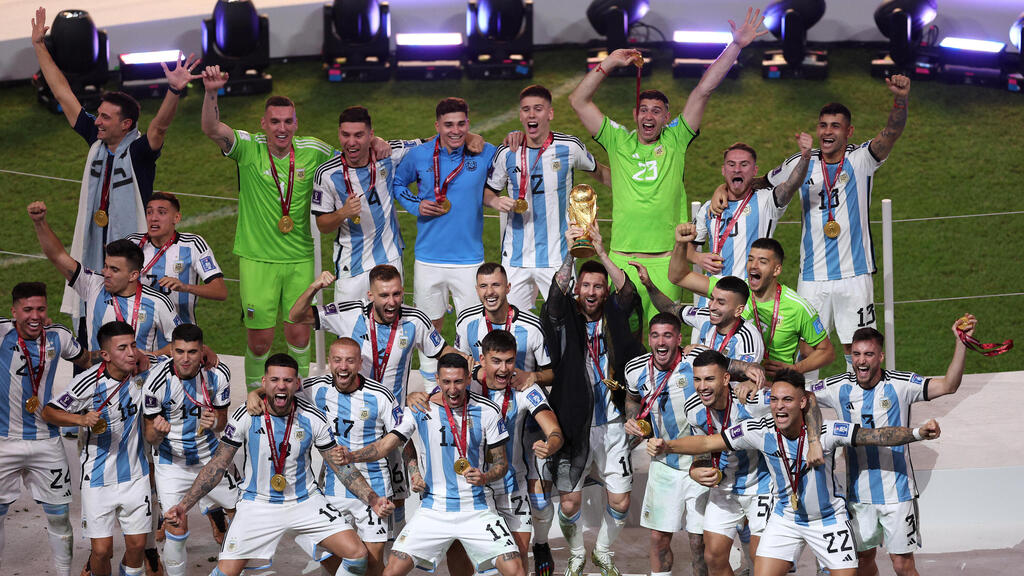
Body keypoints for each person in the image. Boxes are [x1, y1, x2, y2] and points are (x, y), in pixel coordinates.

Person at [567, 8, 767, 322]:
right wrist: (608, 63)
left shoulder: (675, 140)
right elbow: (578, 100)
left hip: (666, 264)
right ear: (635, 116)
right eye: (643, 110)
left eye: (657, 111)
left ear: (666, 117)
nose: (649, 116)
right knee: (620, 343)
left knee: (666, 341)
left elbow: (704, 89)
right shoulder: (618, 140)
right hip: (620, 261)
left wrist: (736, 46)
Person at [650, 370, 942, 576]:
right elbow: (707, 441)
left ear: (803, 402)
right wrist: (668, 446)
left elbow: (876, 435)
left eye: (787, 400)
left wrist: (918, 432)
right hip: (785, 520)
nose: (779, 406)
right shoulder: (757, 431)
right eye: (774, 400)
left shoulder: (827, 433)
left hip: (827, 521)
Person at [31, 8, 199, 334]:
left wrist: (174, 90)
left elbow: (160, 128)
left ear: (126, 124)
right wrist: (39, 45)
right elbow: (63, 93)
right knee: (89, 328)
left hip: (129, 270)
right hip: (95, 263)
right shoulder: (96, 141)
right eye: (98, 115)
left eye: (106, 117)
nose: (97, 121)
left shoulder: (138, 153)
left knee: (127, 335)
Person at [163, 353, 394, 576]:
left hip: (305, 502)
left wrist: (372, 499)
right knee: (227, 572)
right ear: (264, 382)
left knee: (357, 555)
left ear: (297, 384)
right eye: (274, 380)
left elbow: (340, 466)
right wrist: (184, 506)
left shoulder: (313, 417)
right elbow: (218, 464)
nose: (281, 386)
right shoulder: (246, 415)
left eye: (287, 380)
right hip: (257, 504)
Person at [764, 75, 911, 381]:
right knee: (806, 348)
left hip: (854, 274)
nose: (827, 132)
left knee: (857, 349)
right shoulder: (800, 162)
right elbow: (762, 186)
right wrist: (721, 192)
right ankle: (801, 413)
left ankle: (857, 413)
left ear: (849, 131)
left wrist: (900, 100)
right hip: (812, 277)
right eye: (823, 125)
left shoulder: (861, 160)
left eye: (835, 126)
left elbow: (892, 133)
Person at [288, 264, 456, 528]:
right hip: (352, 420)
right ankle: (344, 544)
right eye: (384, 296)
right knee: (342, 486)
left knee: (397, 496)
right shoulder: (349, 313)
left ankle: (390, 548)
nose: (392, 302)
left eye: (397, 294)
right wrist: (315, 287)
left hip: (391, 423)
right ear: (370, 295)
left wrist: (433, 391)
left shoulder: (415, 320)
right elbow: (297, 315)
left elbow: (446, 353)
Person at [200, 66, 335, 387]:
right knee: (260, 341)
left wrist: (381, 143)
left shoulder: (313, 151)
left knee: (299, 334)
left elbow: (351, 160)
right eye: (275, 121)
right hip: (257, 260)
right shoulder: (249, 148)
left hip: (300, 258)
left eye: (288, 121)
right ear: (264, 123)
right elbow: (211, 127)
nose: (282, 128)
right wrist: (210, 92)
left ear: (296, 124)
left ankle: (299, 397)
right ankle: (252, 397)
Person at [810, 320, 970, 576]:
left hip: (898, 494)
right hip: (857, 495)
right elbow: (795, 393)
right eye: (856, 354)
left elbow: (949, 385)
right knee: (862, 560)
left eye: (869, 354)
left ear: (881, 357)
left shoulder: (901, 384)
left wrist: (961, 343)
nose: (861, 361)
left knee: (902, 564)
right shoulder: (837, 386)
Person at [244, 338, 413, 576]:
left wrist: (412, 472)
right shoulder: (316, 388)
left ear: (359, 363)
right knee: (330, 553)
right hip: (332, 485)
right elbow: (283, 388)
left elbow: (402, 434)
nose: (343, 366)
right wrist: (257, 392)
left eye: (349, 360)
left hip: (376, 485)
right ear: (330, 362)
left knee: (374, 562)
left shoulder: (380, 395)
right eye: (337, 360)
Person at [541, 223, 645, 576]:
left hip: (614, 421)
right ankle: (575, 553)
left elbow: (629, 294)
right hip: (573, 423)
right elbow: (554, 298)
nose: (591, 291)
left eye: (598, 286)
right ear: (577, 289)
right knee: (569, 503)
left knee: (620, 499)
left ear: (604, 292)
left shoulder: (615, 316)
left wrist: (601, 251)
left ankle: (602, 551)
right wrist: (573, 253)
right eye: (585, 285)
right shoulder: (565, 317)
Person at [453, 262, 556, 571]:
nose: (490, 293)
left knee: (535, 491)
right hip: (482, 413)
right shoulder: (466, 323)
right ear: (476, 290)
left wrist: (533, 375)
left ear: (509, 287)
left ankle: (539, 542)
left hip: (522, 416)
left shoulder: (532, 326)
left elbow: (554, 372)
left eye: (496, 285)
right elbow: (459, 362)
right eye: (484, 287)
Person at [384, 353, 523, 576]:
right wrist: (413, 471)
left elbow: (501, 464)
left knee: (515, 570)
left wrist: (485, 477)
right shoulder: (420, 407)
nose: (453, 388)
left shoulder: (488, 411)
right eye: (446, 382)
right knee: (392, 571)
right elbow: (397, 443)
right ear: (437, 380)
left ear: (469, 379)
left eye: (458, 381)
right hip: (434, 508)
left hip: (476, 508)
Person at [392, 97, 498, 381]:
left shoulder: (485, 152)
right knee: (429, 326)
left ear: (468, 123)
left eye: (461, 124)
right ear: (436, 125)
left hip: (469, 259)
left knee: (474, 327)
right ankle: (430, 386)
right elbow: (398, 183)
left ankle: (472, 383)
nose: (455, 130)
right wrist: (415, 205)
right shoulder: (419, 155)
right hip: (428, 258)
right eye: (448, 124)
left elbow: (505, 173)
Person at [43, 321, 155, 576]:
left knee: (137, 546)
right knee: (102, 550)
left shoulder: (143, 370)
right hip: (97, 478)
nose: (131, 353)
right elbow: (50, 411)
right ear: (105, 355)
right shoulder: (88, 382)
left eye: (133, 345)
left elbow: (179, 358)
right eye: (122, 347)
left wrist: (208, 354)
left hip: (136, 476)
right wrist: (80, 420)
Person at [485, 84, 607, 311]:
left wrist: (635, 189)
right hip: (515, 259)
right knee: (510, 325)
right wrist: (494, 201)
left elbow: (600, 172)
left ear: (550, 114)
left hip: (558, 257)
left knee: (565, 324)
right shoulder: (507, 152)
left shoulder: (569, 147)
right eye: (526, 109)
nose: (531, 114)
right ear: (520, 115)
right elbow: (488, 190)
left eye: (538, 109)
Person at [0, 282, 89, 576]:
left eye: (40, 309)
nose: (34, 316)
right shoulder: (2, 332)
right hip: (3, 442)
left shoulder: (59, 336)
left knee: (61, 517)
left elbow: (86, 360)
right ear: (14, 312)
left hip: (46, 442)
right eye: (27, 310)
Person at [462, 330, 563, 576]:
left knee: (517, 560)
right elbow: (436, 397)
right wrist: (416, 396)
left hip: (512, 484)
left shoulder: (525, 387)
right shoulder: (466, 385)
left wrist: (551, 443)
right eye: (496, 361)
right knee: (483, 563)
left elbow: (554, 430)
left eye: (509, 361)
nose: (504, 369)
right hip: (474, 486)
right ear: (482, 360)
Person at [670, 229, 834, 379]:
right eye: (750, 259)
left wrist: (794, 368)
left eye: (762, 261)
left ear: (776, 270)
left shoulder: (797, 307)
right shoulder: (734, 292)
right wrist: (680, 244)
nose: (754, 266)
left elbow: (827, 352)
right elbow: (679, 277)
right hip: (732, 380)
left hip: (774, 388)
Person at [142, 324, 235, 576]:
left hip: (210, 457)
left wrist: (214, 421)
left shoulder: (218, 374)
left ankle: (235, 569)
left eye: (192, 352)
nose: (185, 358)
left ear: (202, 350)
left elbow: (223, 420)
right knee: (175, 525)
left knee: (239, 514)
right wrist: (157, 430)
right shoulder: (156, 380)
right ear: (171, 350)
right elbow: (150, 436)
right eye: (179, 351)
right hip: (172, 462)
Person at [29, 201, 180, 357]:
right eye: (106, 266)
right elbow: (58, 256)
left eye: (114, 270)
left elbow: (181, 342)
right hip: (99, 377)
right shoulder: (93, 284)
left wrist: (152, 355)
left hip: (140, 379)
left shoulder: (158, 302)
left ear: (133, 275)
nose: (106, 273)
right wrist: (40, 223)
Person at [623, 313, 708, 576]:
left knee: (698, 542)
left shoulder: (696, 362)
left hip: (700, 463)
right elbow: (632, 398)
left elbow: (731, 371)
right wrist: (632, 419)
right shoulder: (635, 369)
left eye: (668, 335)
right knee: (659, 539)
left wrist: (752, 372)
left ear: (679, 339)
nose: (661, 342)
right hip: (664, 465)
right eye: (656, 335)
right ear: (649, 338)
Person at [689, 135, 812, 314]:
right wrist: (697, 258)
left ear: (755, 170)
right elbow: (686, 249)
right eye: (731, 164)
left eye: (744, 164)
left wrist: (805, 157)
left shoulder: (766, 201)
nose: (737, 169)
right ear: (723, 170)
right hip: (711, 296)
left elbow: (791, 185)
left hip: (751, 298)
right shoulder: (709, 207)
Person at [311, 106, 421, 302]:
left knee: (390, 327)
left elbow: (432, 143)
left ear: (371, 134)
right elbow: (323, 225)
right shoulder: (326, 174)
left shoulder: (389, 154)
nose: (351, 142)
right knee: (348, 328)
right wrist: (342, 213)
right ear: (339, 134)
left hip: (389, 259)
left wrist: (470, 137)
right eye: (345, 135)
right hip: (350, 265)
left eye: (359, 135)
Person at [683, 350, 773, 576]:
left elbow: (795, 396)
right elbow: (702, 452)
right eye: (697, 379)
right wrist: (696, 470)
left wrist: (761, 383)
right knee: (713, 556)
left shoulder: (752, 400)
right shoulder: (693, 409)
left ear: (725, 379)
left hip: (761, 486)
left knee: (760, 558)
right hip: (725, 488)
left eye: (709, 379)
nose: (702, 386)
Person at [125, 192, 227, 325]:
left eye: (161, 213)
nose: (153, 218)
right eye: (149, 212)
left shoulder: (193, 244)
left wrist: (186, 287)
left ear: (176, 218)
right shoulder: (132, 243)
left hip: (179, 337)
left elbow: (220, 291)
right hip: (135, 336)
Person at [631, 264, 764, 363]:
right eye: (712, 299)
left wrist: (705, 353)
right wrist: (648, 284)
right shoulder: (705, 316)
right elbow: (670, 308)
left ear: (739, 310)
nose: (712, 306)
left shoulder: (748, 338)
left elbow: (745, 373)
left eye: (721, 303)